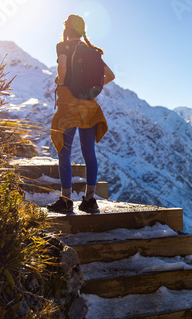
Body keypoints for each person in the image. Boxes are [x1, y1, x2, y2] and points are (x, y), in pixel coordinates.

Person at [47, 14, 115, 214]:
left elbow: (62, 67)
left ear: (66, 30)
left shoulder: (63, 47)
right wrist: (88, 90)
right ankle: (90, 199)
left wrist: (61, 81)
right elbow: (110, 76)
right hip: (89, 107)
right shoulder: (92, 52)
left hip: (69, 106)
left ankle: (66, 200)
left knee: (64, 152)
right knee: (89, 154)